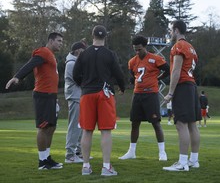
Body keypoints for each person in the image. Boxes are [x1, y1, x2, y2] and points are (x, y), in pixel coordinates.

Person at [5, 32, 64, 170]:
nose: (61, 43)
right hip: (43, 95)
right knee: (43, 128)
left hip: (51, 96)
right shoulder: (43, 52)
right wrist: (18, 77)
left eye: (62, 41)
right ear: (50, 41)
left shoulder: (51, 55)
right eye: (59, 41)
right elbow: (32, 63)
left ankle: (47, 158)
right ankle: (42, 161)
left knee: (51, 127)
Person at [73, 25, 125, 176]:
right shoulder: (110, 54)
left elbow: (76, 74)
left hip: (87, 94)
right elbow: (119, 74)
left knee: (87, 130)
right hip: (105, 93)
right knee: (106, 131)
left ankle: (86, 166)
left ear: (92, 35)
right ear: (105, 37)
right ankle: (106, 167)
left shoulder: (84, 54)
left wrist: (83, 84)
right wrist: (122, 87)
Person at [119, 35, 170, 161]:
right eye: (135, 49)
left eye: (139, 49)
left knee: (156, 123)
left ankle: (162, 152)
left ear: (145, 47)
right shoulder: (132, 61)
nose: (137, 52)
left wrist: (157, 79)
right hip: (137, 94)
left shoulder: (155, 58)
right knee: (134, 123)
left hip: (151, 94)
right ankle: (132, 152)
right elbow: (133, 76)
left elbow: (168, 70)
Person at [163, 20, 202, 172]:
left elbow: (176, 71)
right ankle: (194, 160)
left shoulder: (179, 46)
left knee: (181, 124)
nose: (171, 33)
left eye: (171, 30)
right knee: (192, 124)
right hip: (191, 86)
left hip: (183, 86)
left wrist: (171, 92)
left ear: (177, 30)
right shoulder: (191, 48)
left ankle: (182, 163)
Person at [64, 41, 87, 163]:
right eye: (83, 51)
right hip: (75, 97)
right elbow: (80, 80)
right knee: (74, 127)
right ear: (77, 50)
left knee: (81, 126)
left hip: (79, 96)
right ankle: (70, 155)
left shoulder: (76, 62)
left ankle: (78, 152)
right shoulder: (72, 63)